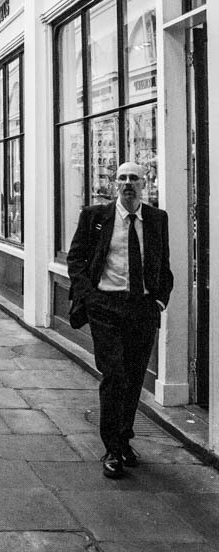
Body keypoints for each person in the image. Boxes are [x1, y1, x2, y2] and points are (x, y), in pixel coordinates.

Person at [67, 161, 173, 480]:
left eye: (134, 178)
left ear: (145, 183)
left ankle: (125, 440)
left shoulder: (156, 219)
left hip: (141, 307)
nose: (128, 183)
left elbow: (162, 263)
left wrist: (158, 299)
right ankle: (112, 448)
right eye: (123, 178)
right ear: (115, 184)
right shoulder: (95, 217)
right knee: (114, 375)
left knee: (134, 377)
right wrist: (90, 296)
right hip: (106, 306)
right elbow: (76, 259)